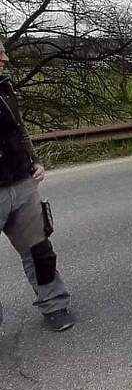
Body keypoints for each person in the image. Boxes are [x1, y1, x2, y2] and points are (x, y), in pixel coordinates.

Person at [0, 39, 74, 331]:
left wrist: (35, 161)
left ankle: (55, 305)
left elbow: (20, 131)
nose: (5, 58)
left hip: (22, 182)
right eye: (0, 52)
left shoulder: (5, 87)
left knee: (39, 250)